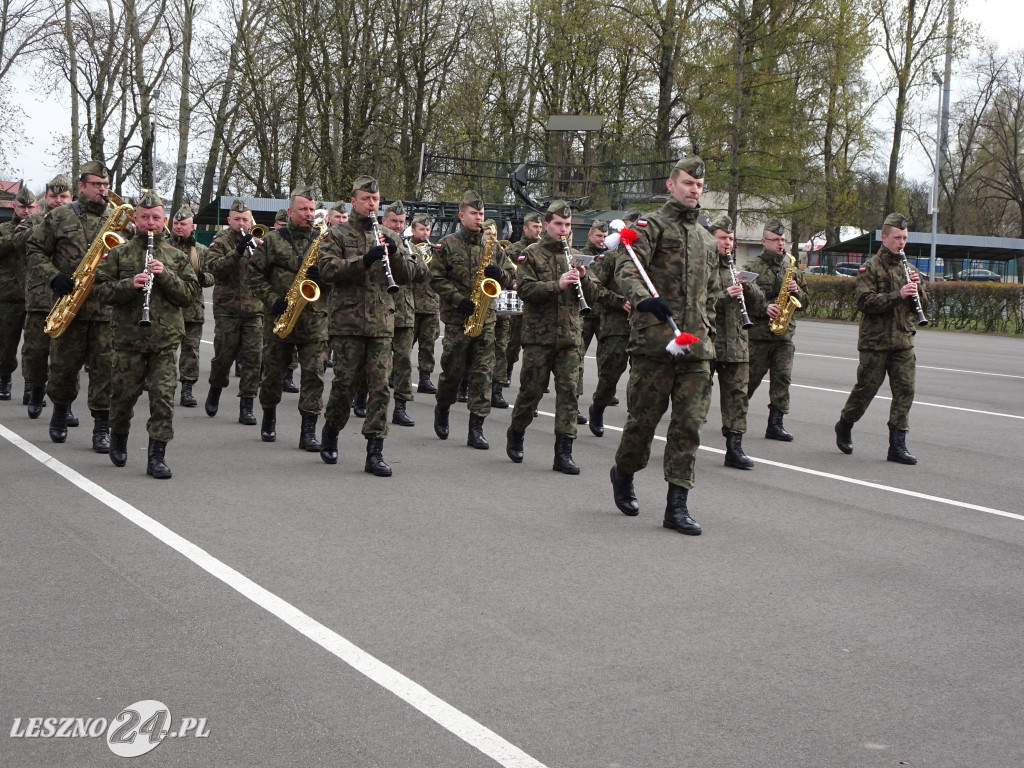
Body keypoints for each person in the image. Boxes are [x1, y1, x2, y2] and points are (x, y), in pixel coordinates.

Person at [608, 156, 721, 535]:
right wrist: (644, 300)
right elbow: (626, 267)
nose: (694, 190)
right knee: (642, 424)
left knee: (689, 427)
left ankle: (677, 506)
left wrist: (711, 336)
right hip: (655, 345)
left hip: (696, 350)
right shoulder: (651, 227)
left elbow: (713, 295)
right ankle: (624, 472)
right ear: (672, 185)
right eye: (688, 183)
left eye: (700, 185)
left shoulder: (708, 239)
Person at [92, 190, 199, 478]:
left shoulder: (176, 256)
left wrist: (166, 276)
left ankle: (157, 457)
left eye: (155, 218)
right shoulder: (118, 253)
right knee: (123, 397)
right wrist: (129, 284)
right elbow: (99, 291)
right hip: (128, 341)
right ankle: (118, 437)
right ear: (135, 219)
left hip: (165, 342)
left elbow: (189, 295)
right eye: (144, 218)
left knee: (163, 399)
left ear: (164, 220)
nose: (150, 223)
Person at [317, 175, 414, 475]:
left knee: (381, 387)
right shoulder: (337, 234)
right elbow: (326, 269)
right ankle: (331, 430)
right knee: (344, 386)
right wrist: (363, 260)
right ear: (354, 201)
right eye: (365, 199)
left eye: (375, 199)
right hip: (347, 323)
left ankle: (375, 450)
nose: (371, 204)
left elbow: (413, 272)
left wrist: (394, 255)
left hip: (382, 323)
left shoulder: (389, 235)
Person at [26, 160, 116, 452]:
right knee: (64, 368)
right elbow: (34, 249)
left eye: (105, 184)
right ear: (82, 186)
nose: (102, 189)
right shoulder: (60, 216)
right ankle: (60, 413)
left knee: (105, 371)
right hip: (69, 306)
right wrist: (53, 277)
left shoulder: (117, 218)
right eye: (96, 184)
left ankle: (102, 426)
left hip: (106, 309)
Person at [505, 200, 593, 472]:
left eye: (567, 225)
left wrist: (584, 278)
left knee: (569, 395)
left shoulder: (576, 256)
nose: (563, 230)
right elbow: (525, 290)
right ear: (546, 225)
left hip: (569, 338)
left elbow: (595, 295)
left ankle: (563, 453)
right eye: (558, 224)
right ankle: (517, 432)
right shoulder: (532, 254)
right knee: (530, 392)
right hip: (539, 338)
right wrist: (557, 284)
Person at [835, 213, 927, 464]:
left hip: (902, 340)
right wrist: (898, 295)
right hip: (875, 341)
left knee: (905, 391)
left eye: (905, 238)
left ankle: (897, 445)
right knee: (866, 389)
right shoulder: (870, 267)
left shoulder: (910, 268)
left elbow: (924, 305)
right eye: (897, 237)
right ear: (884, 237)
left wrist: (918, 290)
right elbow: (864, 302)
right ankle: (845, 423)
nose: (902, 243)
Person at [429, 190, 515, 449]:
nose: (479, 218)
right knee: (452, 372)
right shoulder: (447, 244)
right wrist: (458, 300)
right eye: (474, 214)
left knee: (483, 373)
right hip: (458, 319)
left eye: (482, 214)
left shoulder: (493, 247)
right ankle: (443, 407)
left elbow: (511, 277)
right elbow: (435, 278)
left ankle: (476, 428)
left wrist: (499, 273)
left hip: (486, 319)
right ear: (462, 215)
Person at [246, 185, 329, 450]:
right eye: (303, 209)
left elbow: (339, 276)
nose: (308, 214)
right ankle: (269, 417)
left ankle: (308, 432)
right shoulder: (272, 240)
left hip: (314, 319)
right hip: (279, 318)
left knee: (314, 375)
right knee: (272, 374)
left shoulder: (324, 240)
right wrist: (272, 300)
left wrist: (323, 279)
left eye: (312, 209)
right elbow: (254, 275)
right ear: (291, 211)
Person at [742, 218, 809, 441]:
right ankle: (735, 417)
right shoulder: (752, 267)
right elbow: (741, 300)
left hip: (784, 334)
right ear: (764, 241)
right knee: (749, 380)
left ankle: (776, 424)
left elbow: (807, 302)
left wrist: (796, 290)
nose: (781, 244)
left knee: (782, 379)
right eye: (776, 240)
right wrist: (764, 307)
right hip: (759, 335)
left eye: (783, 240)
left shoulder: (792, 267)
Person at [707, 213, 766, 468]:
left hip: (738, 343)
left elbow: (760, 304)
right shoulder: (702, 267)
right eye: (722, 238)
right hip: (709, 342)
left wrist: (747, 288)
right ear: (711, 239)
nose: (727, 243)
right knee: (696, 399)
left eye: (730, 238)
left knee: (737, 397)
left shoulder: (737, 269)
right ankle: (682, 444)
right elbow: (695, 303)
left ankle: (734, 448)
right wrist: (724, 295)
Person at [204, 198, 264, 425]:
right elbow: (214, 269)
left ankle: (247, 405)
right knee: (223, 356)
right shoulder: (220, 241)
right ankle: (215, 388)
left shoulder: (259, 242)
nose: (241, 223)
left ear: (251, 221)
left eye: (245, 220)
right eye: (237, 219)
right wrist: (236, 252)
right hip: (227, 309)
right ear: (229, 220)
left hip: (254, 309)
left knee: (253, 358)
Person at [19, 175, 74, 417]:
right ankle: (37, 389)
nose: (58, 201)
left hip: (70, 299)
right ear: (46, 198)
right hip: (40, 298)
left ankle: (65, 406)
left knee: (67, 359)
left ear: (71, 198)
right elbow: (22, 244)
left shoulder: (78, 222)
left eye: (64, 197)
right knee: (36, 352)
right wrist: (44, 226)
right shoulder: (32, 221)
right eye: (53, 197)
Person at [586, 227, 632, 437]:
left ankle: (635, 421)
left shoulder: (650, 261)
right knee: (610, 375)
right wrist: (619, 302)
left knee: (642, 377)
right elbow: (593, 285)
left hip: (643, 325)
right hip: (615, 325)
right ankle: (598, 407)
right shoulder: (611, 257)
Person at [167, 205, 214, 407]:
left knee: (191, 351)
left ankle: (187, 388)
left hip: (192, 309)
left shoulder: (201, 250)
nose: (178, 227)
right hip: (167, 308)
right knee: (165, 350)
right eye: (176, 223)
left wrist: (202, 277)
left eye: (183, 224)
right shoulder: (164, 246)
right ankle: (163, 386)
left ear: (191, 225)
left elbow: (213, 277)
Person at [382, 201, 420, 427]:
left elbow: (421, 272)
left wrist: (400, 254)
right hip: (378, 311)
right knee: (376, 362)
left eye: (401, 222)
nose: (397, 226)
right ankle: (361, 397)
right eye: (393, 221)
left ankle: (401, 407)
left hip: (404, 312)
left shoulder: (408, 246)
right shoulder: (372, 241)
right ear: (383, 221)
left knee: (404, 361)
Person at [0, 185, 36, 401]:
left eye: (30, 207)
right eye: (22, 207)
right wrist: (18, 235)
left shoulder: (43, 226)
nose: (26, 211)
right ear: (14, 206)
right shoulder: (5, 228)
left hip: (36, 295)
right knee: (5, 343)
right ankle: (4, 377)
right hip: (9, 293)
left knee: (34, 347)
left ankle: (31, 386)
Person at [574, 219, 608, 424]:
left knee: (606, 360)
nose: (601, 240)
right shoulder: (580, 257)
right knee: (577, 361)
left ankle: (602, 397)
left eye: (604, 237)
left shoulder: (609, 256)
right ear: (590, 235)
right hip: (584, 315)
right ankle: (574, 403)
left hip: (603, 315)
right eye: (598, 236)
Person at [502, 212, 542, 385]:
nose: (538, 230)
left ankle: (538, 379)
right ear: (525, 228)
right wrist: (513, 284)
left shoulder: (544, 249)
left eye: (540, 227)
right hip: (518, 301)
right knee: (513, 341)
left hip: (538, 301)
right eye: (535, 227)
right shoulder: (514, 249)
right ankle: (506, 371)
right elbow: (506, 273)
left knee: (538, 344)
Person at [410, 213, 440, 394]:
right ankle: (396, 374)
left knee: (428, 345)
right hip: (411, 304)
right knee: (405, 344)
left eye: (427, 229)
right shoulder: (407, 247)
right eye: (421, 229)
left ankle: (425, 378)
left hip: (430, 304)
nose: (425, 233)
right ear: (413, 230)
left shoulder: (435, 250)